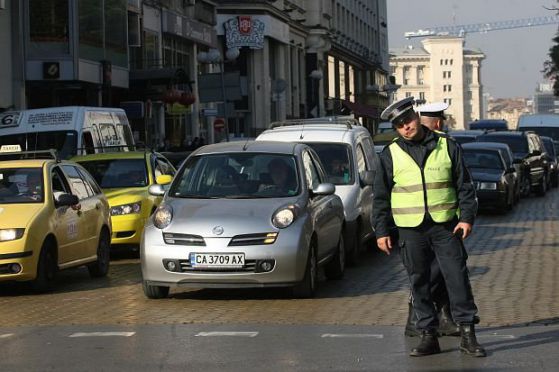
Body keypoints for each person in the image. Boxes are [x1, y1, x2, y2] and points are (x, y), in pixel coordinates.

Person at [373, 97, 485, 357]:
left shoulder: (447, 145)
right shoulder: (390, 153)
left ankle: (468, 334)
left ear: (417, 117)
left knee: (457, 279)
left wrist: (466, 217)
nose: (406, 128)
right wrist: (380, 232)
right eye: (399, 125)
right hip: (410, 231)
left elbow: (464, 186)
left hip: (446, 227)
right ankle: (428, 336)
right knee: (419, 282)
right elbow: (380, 196)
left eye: (408, 121)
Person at [401, 101, 462, 338]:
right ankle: (419, 319)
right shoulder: (444, 145)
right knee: (434, 273)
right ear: (438, 122)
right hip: (436, 224)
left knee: (433, 272)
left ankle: (431, 318)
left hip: (424, 223)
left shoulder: (437, 145)